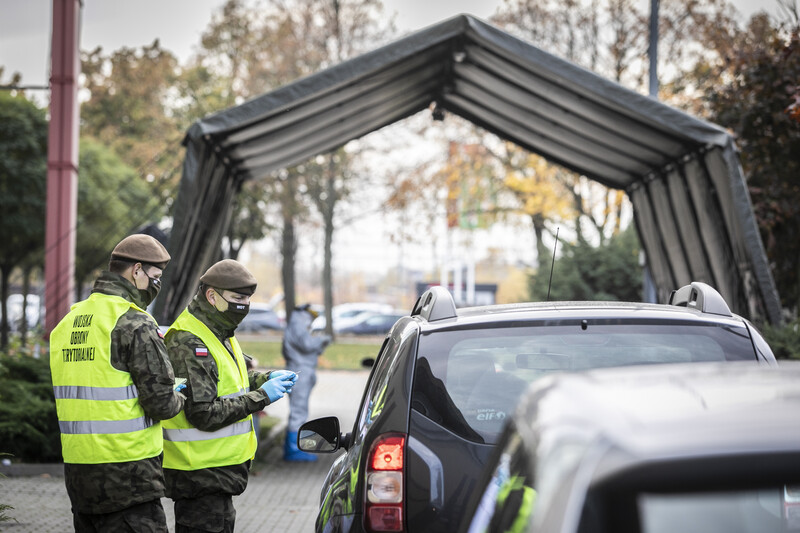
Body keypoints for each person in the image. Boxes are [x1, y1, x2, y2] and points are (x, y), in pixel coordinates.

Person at [49, 234, 185, 532]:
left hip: (79, 473)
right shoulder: (134, 323)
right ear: (136, 270)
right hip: (130, 477)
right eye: (155, 277)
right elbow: (162, 404)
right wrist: (178, 394)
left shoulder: (68, 323)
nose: (156, 285)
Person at [161, 259, 297, 533]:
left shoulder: (219, 331)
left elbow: (233, 378)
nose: (244, 306)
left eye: (247, 299)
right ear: (212, 296)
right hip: (198, 474)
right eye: (237, 298)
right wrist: (261, 397)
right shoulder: (189, 340)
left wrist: (267, 378)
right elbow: (204, 412)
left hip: (216, 474)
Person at [282, 303, 331, 462]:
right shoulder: (298, 322)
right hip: (300, 369)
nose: (312, 320)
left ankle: (295, 447)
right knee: (298, 411)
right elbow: (307, 344)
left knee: (300, 410)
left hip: (303, 368)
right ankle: (293, 449)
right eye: (312, 316)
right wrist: (322, 340)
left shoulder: (299, 322)